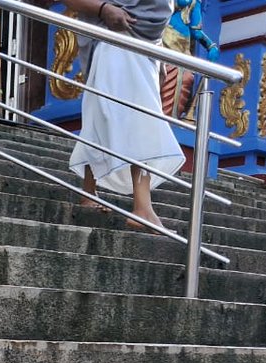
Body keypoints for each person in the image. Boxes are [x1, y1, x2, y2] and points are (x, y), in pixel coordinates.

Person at [64, 0, 184, 229]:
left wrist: (157, 49)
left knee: (106, 117)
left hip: (141, 44)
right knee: (139, 119)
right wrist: (104, 9)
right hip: (118, 40)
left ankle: (90, 193)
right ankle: (142, 207)